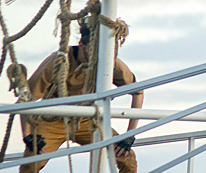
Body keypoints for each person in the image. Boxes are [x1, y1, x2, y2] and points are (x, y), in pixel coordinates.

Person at [19, 20, 144, 173]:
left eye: (101, 53)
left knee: (126, 157)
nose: (96, 58)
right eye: (93, 52)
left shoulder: (109, 63)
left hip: (87, 121)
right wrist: (28, 136)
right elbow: (26, 97)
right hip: (52, 120)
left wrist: (129, 134)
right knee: (32, 161)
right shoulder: (58, 61)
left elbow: (138, 92)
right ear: (81, 45)